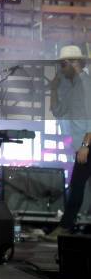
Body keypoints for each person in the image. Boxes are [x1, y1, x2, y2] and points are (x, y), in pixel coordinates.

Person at [45, 45, 91, 240]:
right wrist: (54, 90)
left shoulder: (85, 84)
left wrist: (85, 145)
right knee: (78, 185)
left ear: (75, 63)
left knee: (77, 184)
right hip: (84, 144)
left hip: (87, 144)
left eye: (63, 65)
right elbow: (57, 110)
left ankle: (65, 227)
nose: (61, 69)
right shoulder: (74, 87)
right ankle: (68, 226)